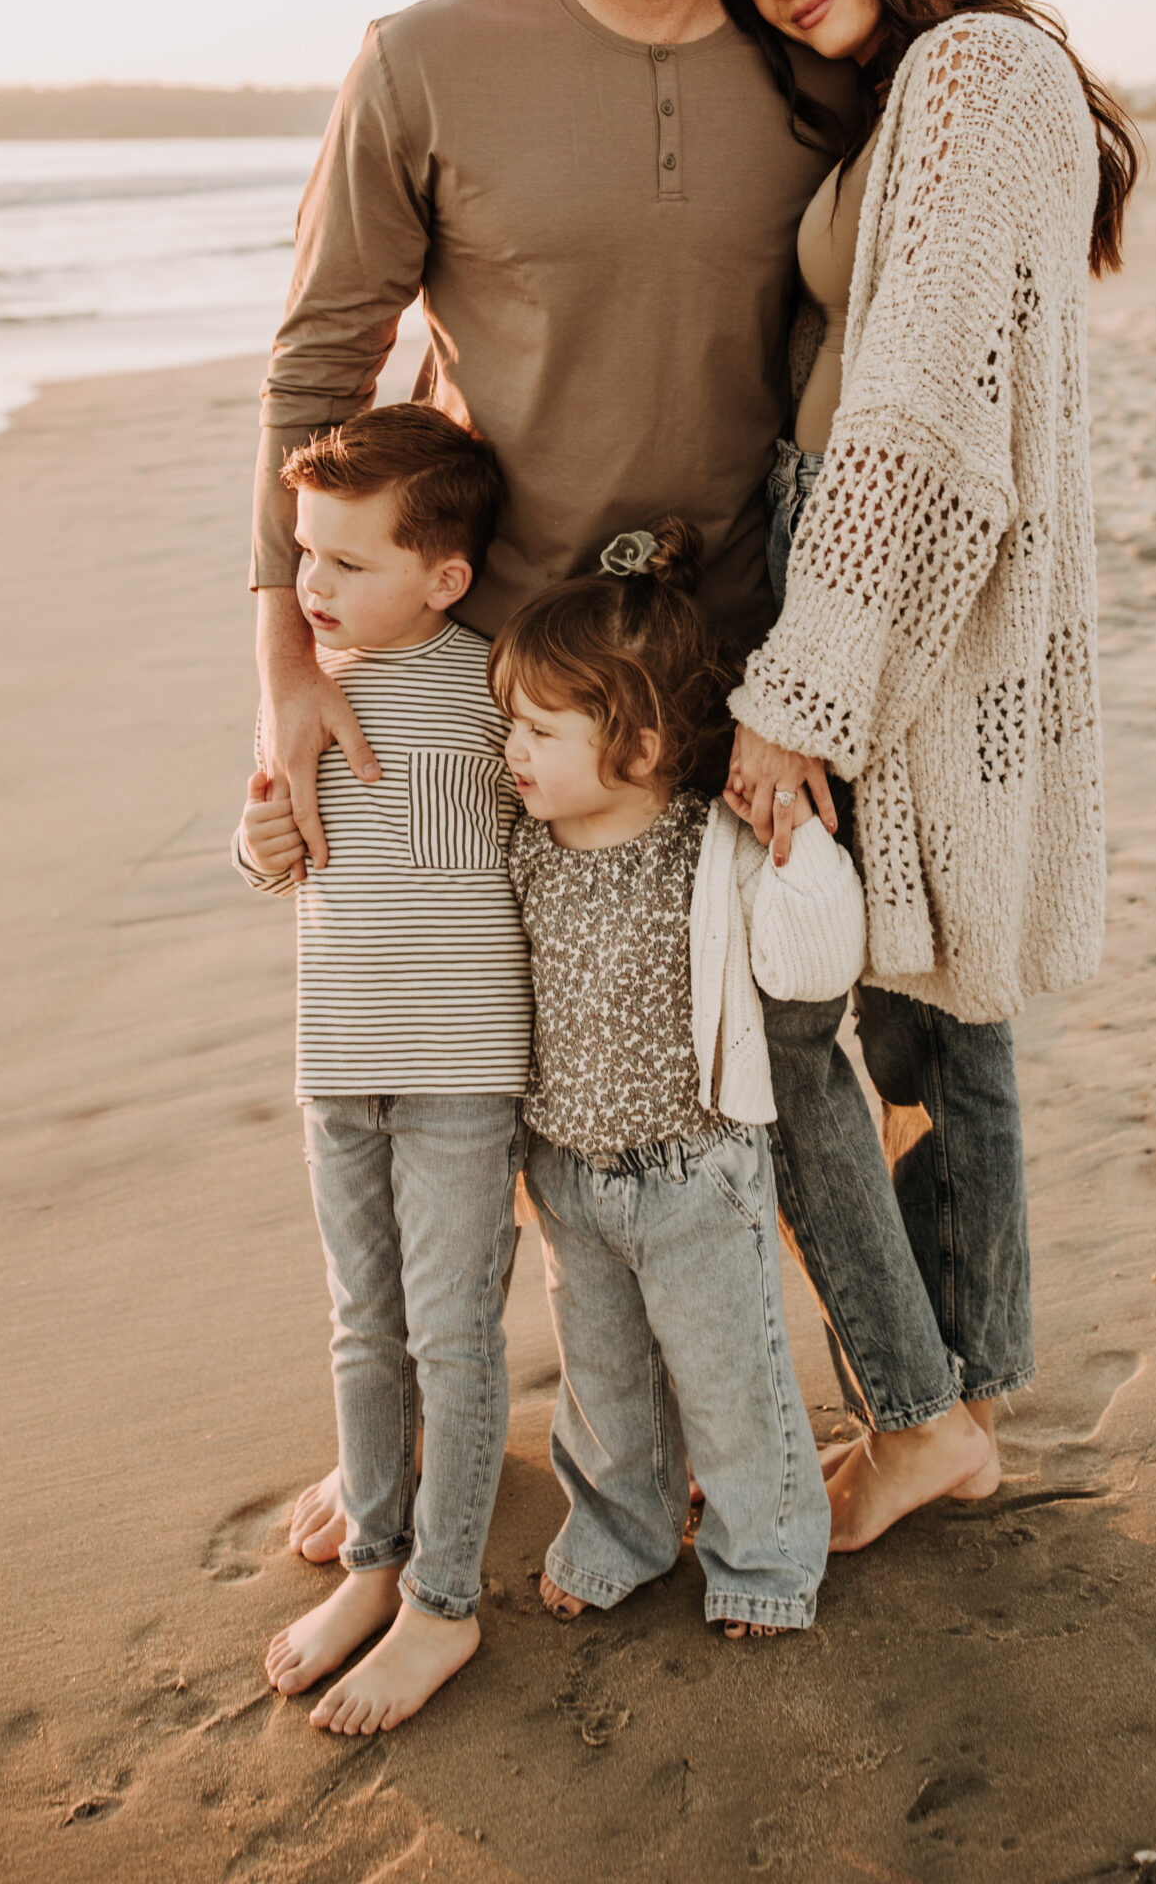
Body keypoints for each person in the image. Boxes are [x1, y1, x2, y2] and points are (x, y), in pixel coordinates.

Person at [263, 0, 856, 1567]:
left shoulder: (813, 53)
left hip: (740, 665)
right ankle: (415, 1443)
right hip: (493, 689)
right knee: (476, 1087)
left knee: (733, 1085)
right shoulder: (422, 55)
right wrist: (285, 672)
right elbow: (311, 377)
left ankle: (745, 1435)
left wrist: (830, 680)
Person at [718, 0, 1140, 1550]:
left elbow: (913, 428)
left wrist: (797, 694)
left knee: (809, 1018)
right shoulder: (911, 91)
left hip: (905, 593)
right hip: (886, 583)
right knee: (929, 1011)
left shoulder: (973, 73)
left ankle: (918, 1407)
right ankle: (955, 1406)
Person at [490, 520, 863, 1636]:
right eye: (511, 720)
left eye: (540, 729)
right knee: (605, 1388)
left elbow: (814, 962)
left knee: (730, 1379)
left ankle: (765, 1559)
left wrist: (800, 856)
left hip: (697, 1172)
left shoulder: (711, 843)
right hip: (571, 1172)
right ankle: (622, 1531)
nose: (513, 747)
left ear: (642, 747)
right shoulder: (523, 848)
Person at [234, 405, 532, 1735]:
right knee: (364, 1323)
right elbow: (272, 862)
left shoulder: (491, 689)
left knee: (455, 1334)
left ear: (444, 577)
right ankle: (373, 1562)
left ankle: (443, 1602)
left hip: (464, 1067)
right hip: (338, 1065)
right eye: (305, 555)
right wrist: (259, 836)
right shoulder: (309, 691)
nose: (311, 586)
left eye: (346, 565)